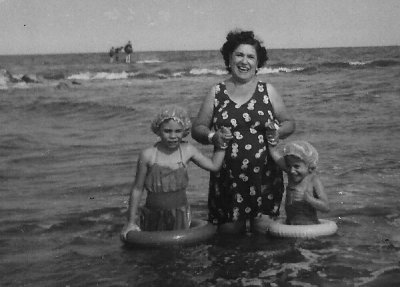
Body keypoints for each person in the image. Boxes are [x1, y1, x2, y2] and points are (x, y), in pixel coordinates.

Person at [191, 30, 296, 234]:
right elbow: (197, 128)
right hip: (227, 181)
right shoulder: (216, 92)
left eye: (250, 57)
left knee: (265, 239)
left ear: (258, 64)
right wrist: (213, 136)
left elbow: (289, 122)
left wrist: (278, 132)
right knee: (229, 240)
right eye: (239, 55)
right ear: (229, 58)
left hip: (264, 178)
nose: (244, 61)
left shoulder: (268, 91)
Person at [120, 106, 231, 240]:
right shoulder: (147, 155)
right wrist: (131, 222)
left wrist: (222, 145)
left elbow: (214, 166)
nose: (173, 136)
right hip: (152, 214)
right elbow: (137, 189)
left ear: (185, 131)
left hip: (180, 213)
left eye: (178, 131)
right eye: (167, 131)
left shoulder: (188, 150)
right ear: (158, 131)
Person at [267, 139, 330, 224]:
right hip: (290, 225)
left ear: (309, 166)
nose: (292, 170)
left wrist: (309, 199)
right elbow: (276, 157)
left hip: (309, 227)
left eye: (296, 166)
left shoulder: (313, 180)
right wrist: (271, 145)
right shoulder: (291, 174)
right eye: (289, 166)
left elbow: (326, 207)